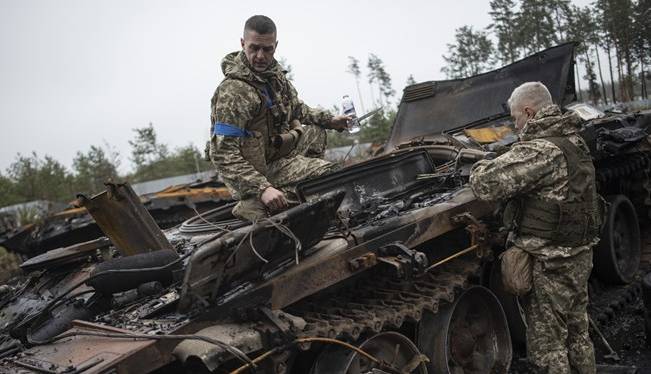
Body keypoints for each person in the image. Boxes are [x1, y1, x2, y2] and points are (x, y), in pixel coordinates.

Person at [469, 82, 600, 373]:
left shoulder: (541, 150)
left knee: (548, 349)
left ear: (529, 112)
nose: (515, 125)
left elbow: (485, 184)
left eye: (515, 118)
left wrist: (480, 164)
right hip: (578, 255)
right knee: (578, 334)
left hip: (551, 262)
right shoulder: (572, 138)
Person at [209, 15, 349, 221]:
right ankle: (256, 204)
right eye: (254, 48)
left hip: (274, 154)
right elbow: (222, 154)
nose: (260, 56)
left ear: (275, 46)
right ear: (242, 43)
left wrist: (331, 120)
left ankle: (295, 187)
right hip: (253, 171)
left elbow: (297, 108)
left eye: (267, 49)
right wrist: (262, 188)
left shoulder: (274, 77)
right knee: (330, 175)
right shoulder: (234, 91)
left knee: (316, 131)